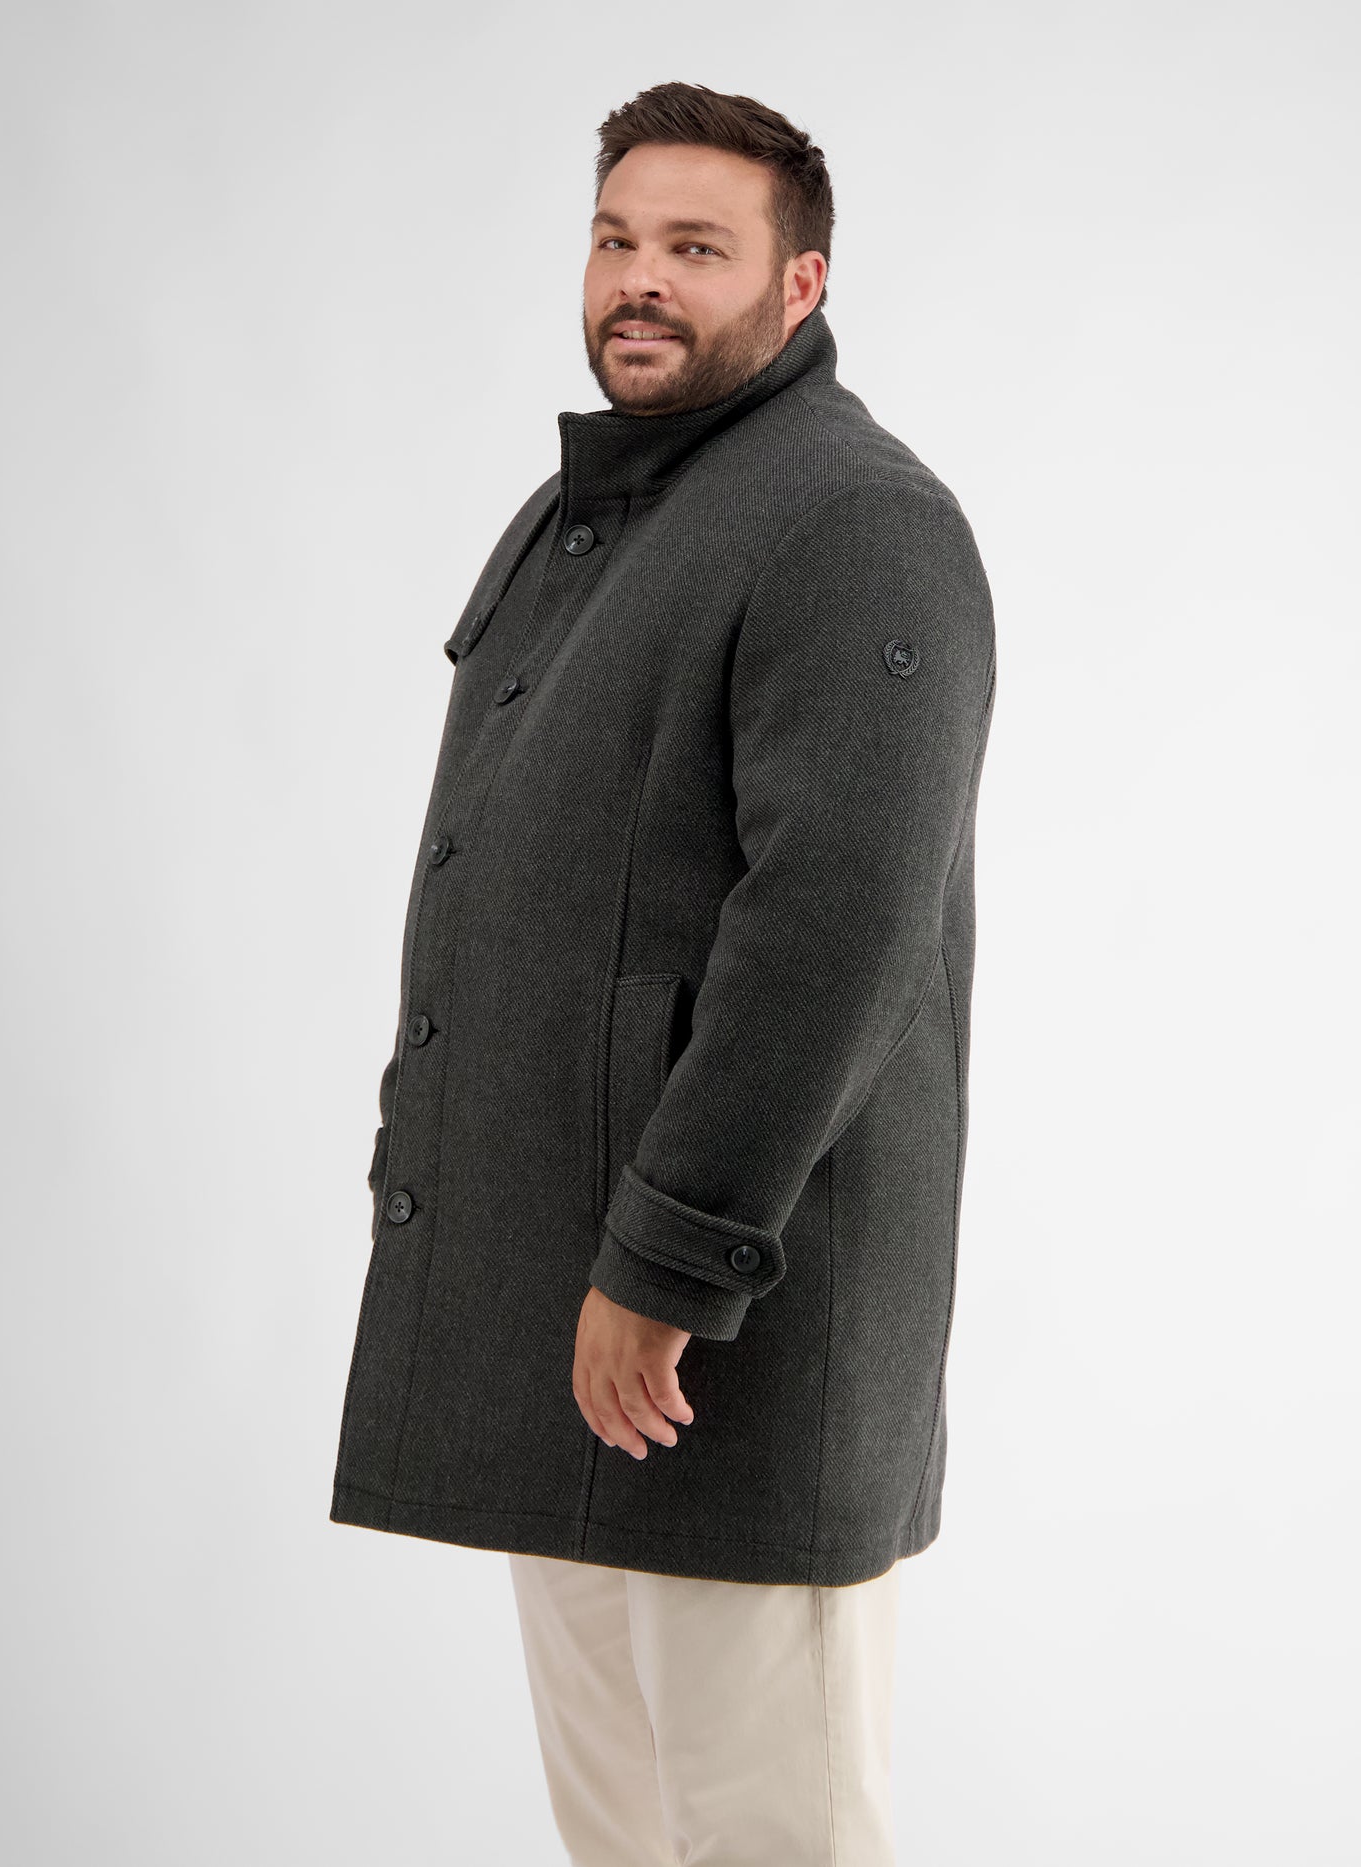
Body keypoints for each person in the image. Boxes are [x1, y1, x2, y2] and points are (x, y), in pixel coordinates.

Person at [331, 78, 997, 1865]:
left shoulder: (852, 517)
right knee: (620, 1837)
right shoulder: (593, 514)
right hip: (568, 1309)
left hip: (717, 1327)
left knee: (771, 1839)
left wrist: (671, 1259)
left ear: (801, 282)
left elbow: (834, 934)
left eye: (697, 247)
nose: (640, 278)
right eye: (617, 238)